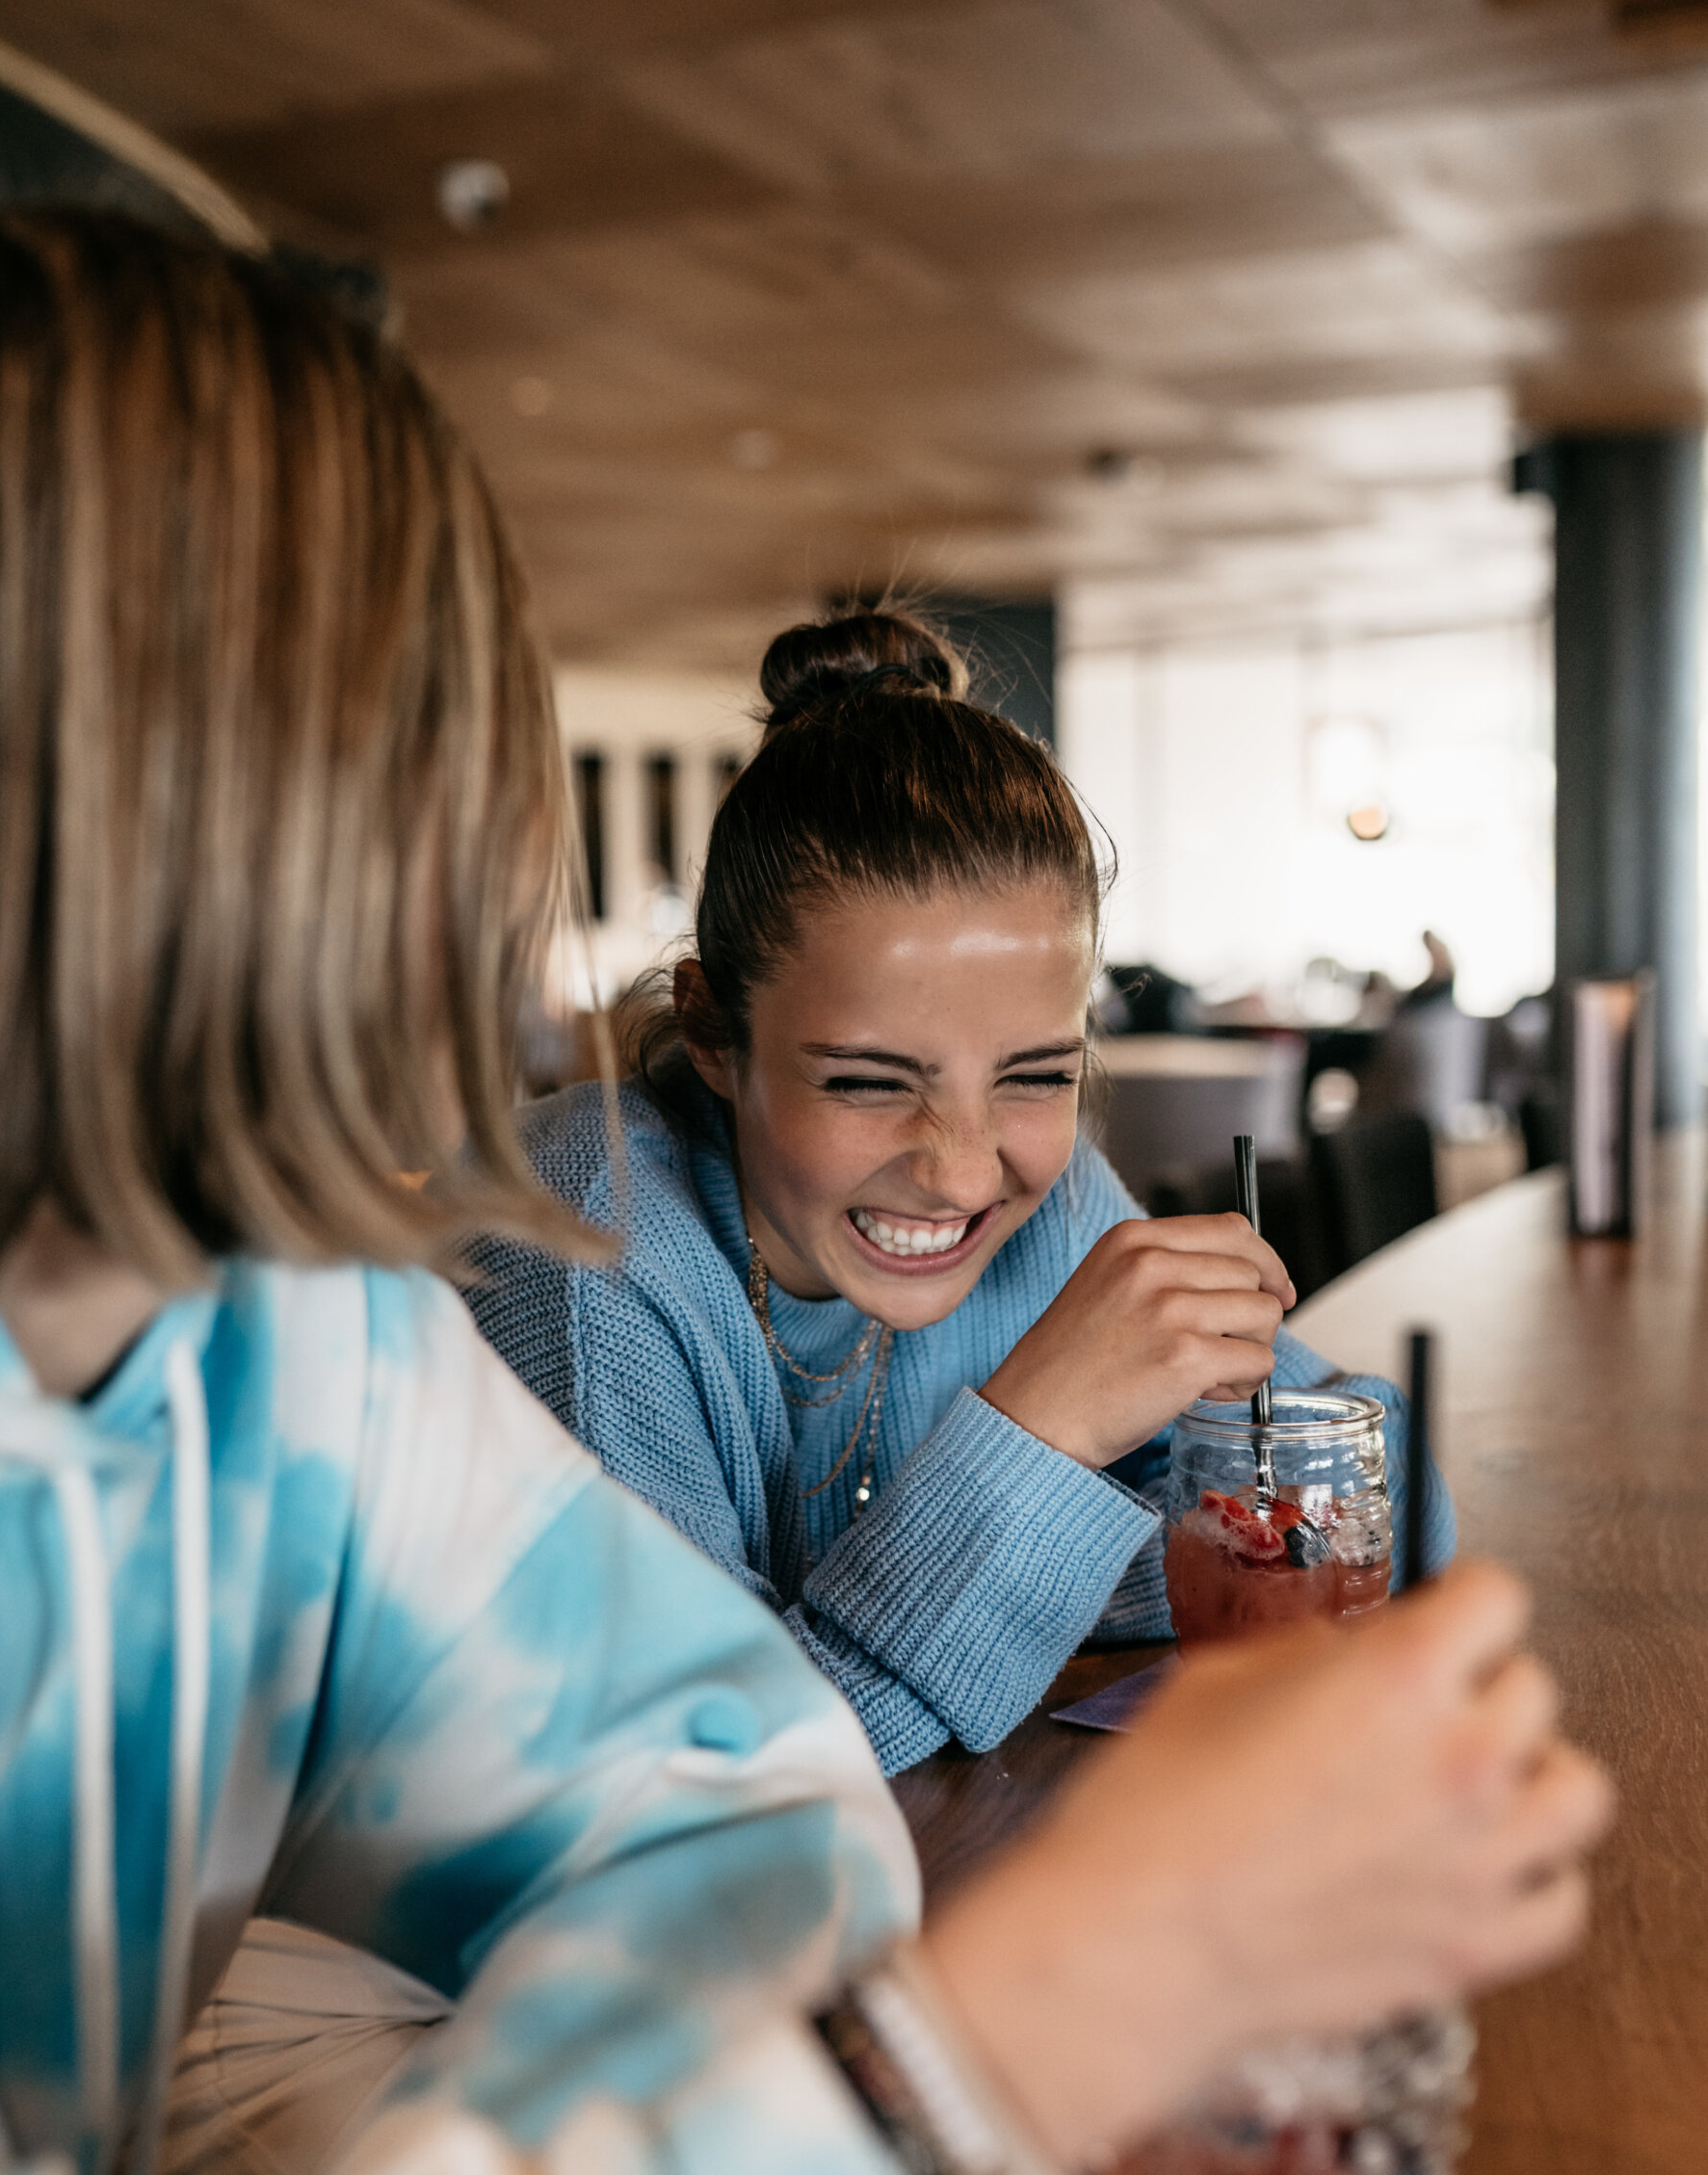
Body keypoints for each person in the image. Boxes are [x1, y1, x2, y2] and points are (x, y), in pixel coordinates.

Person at [0, 210, 1609, 2175]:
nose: (479, 875)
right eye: (399, 744)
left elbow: (726, 1789)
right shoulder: (527, 1248)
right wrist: (976, 2064)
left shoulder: (283, 1330)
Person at [465, 610, 1456, 1772]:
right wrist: (1045, 1442)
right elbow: (694, 1775)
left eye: (1034, 1076)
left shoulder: (1057, 1205)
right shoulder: (579, 1237)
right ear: (712, 1032)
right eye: (868, 1081)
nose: (963, 1170)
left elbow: (1386, 1486)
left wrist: (995, 1573)